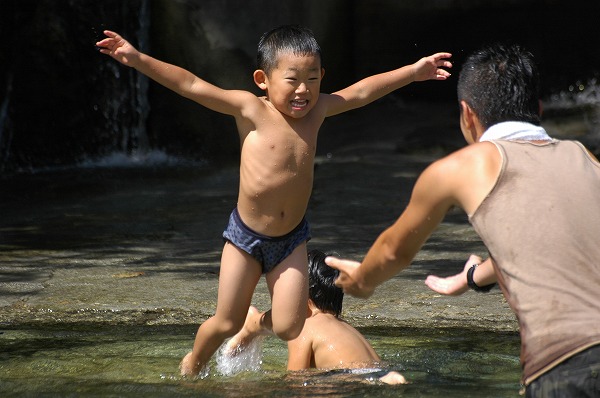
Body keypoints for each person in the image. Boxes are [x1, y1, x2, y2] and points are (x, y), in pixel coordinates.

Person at [96, 25, 452, 376]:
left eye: (313, 79)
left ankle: (255, 323)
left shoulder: (319, 111)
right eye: (292, 80)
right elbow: (190, 85)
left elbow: (361, 92)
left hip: (291, 238)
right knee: (225, 321)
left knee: (288, 327)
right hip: (246, 237)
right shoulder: (250, 109)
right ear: (262, 79)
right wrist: (137, 58)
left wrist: (412, 72)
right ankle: (194, 363)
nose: (303, 90)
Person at [326, 43, 600, 397]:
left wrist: (363, 280)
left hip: (565, 363)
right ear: (540, 109)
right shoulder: (585, 159)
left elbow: (394, 251)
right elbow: (546, 242)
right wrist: (471, 277)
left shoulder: (463, 166)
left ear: (467, 114)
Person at [225, 249, 407, 385]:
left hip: (353, 381)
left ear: (300, 294)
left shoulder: (304, 328)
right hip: (380, 374)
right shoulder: (345, 327)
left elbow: (295, 382)